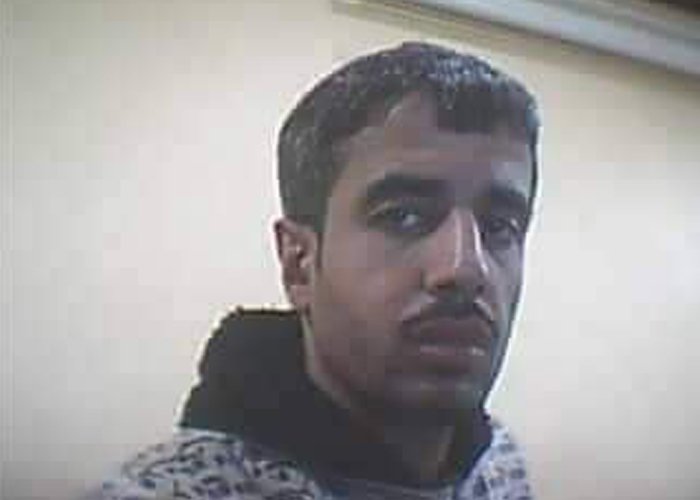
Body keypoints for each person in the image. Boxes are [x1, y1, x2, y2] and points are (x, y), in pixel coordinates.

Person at [91, 41, 540, 500]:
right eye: (404, 217)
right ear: (299, 264)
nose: (465, 268)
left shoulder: (500, 470)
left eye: (500, 227)